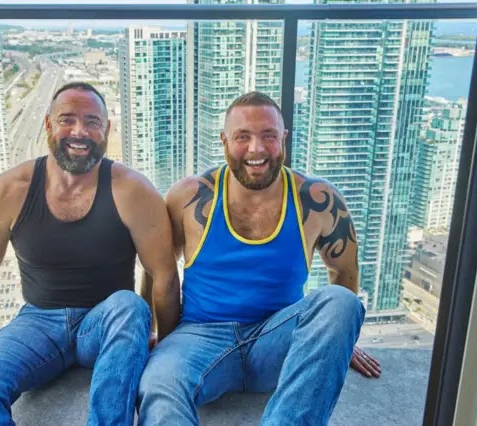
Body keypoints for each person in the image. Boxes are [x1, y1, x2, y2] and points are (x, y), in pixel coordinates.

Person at [138, 91, 380, 426]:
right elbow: (157, 269)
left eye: (269, 135)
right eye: (243, 137)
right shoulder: (188, 196)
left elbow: (345, 273)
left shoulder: (318, 200)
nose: (257, 149)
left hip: (277, 339)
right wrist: (150, 334)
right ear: (224, 141)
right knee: (158, 384)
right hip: (199, 337)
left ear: (284, 139)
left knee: (341, 302)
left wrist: (333, 341)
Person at [0, 82, 180, 425]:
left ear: (106, 129)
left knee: (129, 306)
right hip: (38, 322)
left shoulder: (132, 191)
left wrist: (165, 346)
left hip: (105, 321)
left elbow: (163, 274)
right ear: (48, 125)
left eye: (92, 121)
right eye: (67, 119)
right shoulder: (10, 190)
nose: (79, 131)